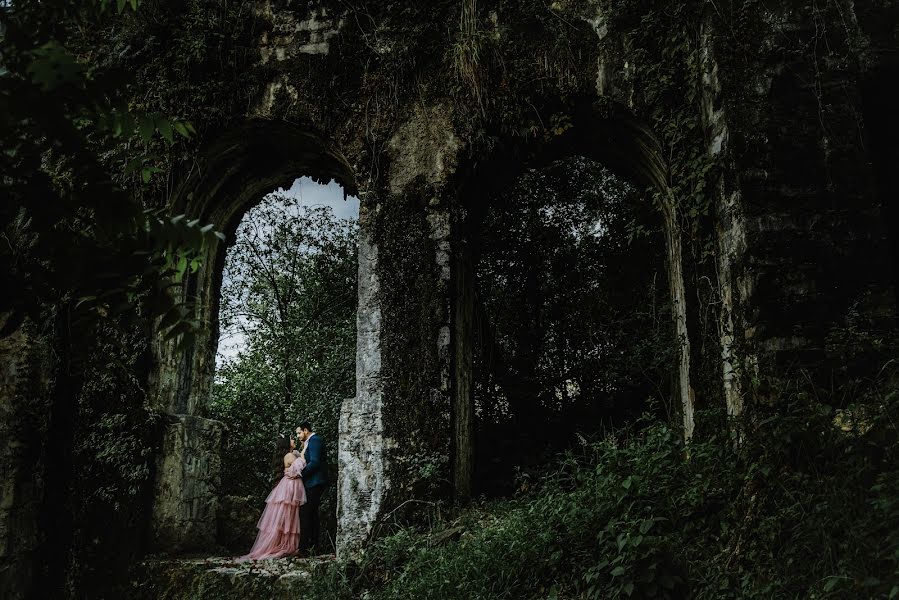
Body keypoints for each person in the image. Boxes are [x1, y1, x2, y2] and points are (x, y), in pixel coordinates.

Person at [238, 435, 306, 560]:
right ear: (287, 444)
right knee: (288, 514)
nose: (293, 441)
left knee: (289, 515)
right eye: (291, 439)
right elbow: (301, 466)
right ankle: (285, 544)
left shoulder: (290, 454)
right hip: (289, 488)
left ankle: (285, 543)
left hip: (289, 487)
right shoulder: (289, 456)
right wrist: (302, 453)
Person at [293, 421, 328, 553]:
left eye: (299, 432)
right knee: (311, 514)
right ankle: (312, 546)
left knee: (306, 513)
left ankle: (305, 548)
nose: (297, 436)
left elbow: (315, 462)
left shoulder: (315, 440)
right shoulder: (308, 442)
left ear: (306, 430)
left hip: (315, 482)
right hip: (311, 482)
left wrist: (300, 474)